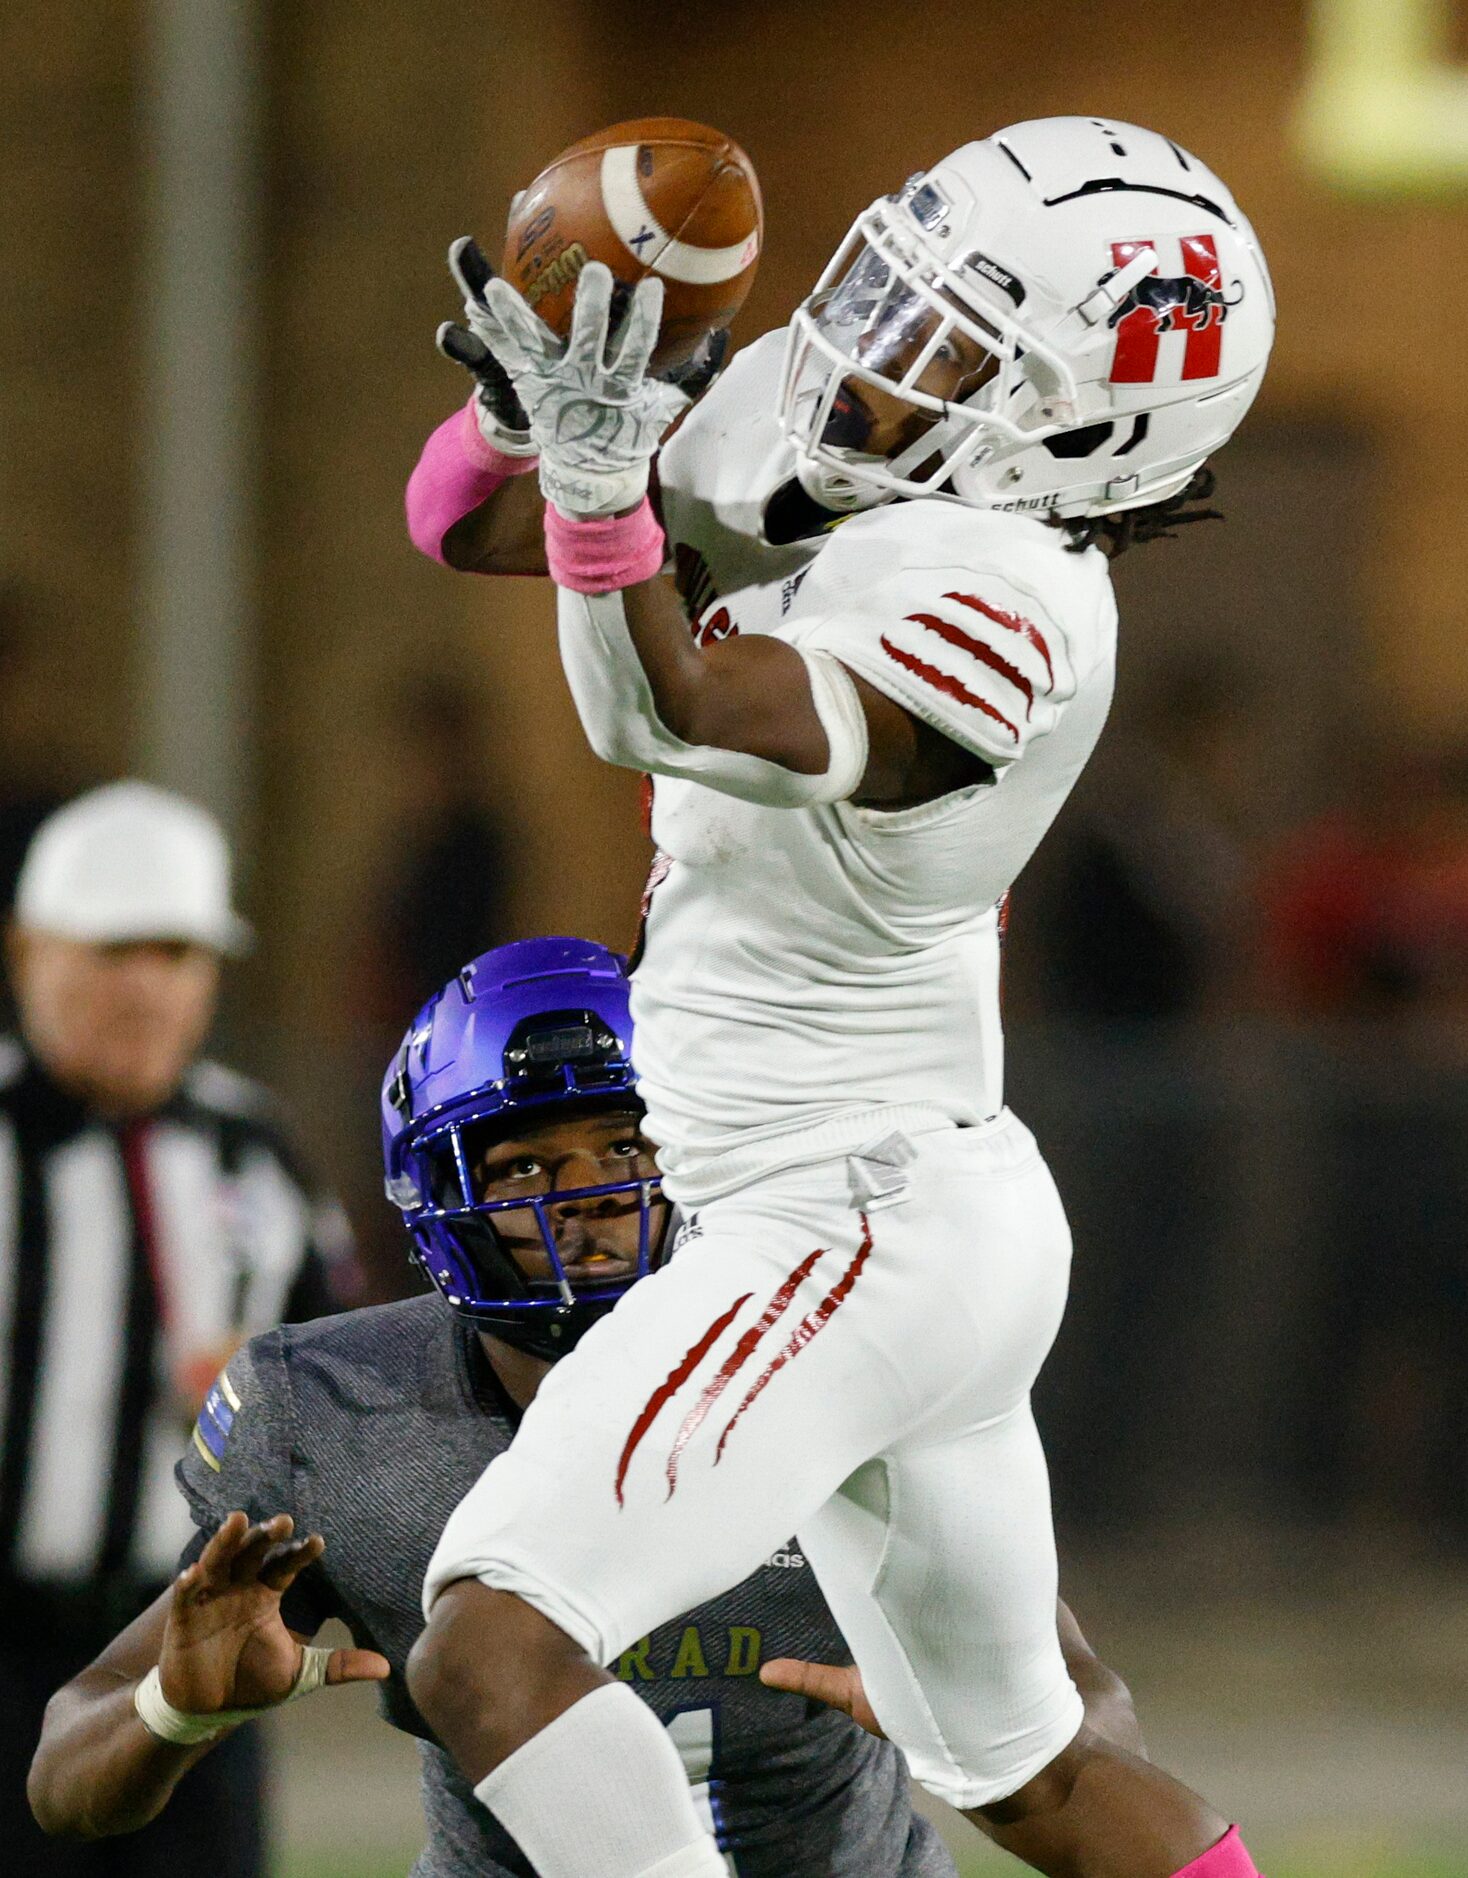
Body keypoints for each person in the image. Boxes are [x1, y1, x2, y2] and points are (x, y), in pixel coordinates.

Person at [402, 118, 1274, 1878]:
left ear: (1087, 428)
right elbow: (459, 530)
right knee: (1029, 1770)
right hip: (891, 1201)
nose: (876, 347)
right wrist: (533, 415)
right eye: (895, 286)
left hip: (840, 1212)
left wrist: (602, 488)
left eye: (953, 341)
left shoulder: (1012, 594)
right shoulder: (885, 454)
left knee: (493, 1642)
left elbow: (674, 713)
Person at [28, 937, 1141, 1876]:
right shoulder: (334, 1419)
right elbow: (64, 1780)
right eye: (525, 1171)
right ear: (436, 1193)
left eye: (626, 1147)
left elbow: (1087, 1710)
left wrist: (962, 1723)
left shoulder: (844, 1350)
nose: (592, 1202)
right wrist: (175, 1713)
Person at [2, 780, 355, 1877]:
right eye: (115, 952)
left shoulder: (258, 1151)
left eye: (178, 955)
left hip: (180, 1653)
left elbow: (341, 1386)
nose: (148, 988)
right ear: (28, 953)